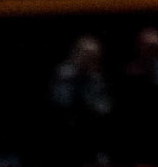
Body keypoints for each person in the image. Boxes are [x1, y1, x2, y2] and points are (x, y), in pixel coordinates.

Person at [114, 25, 158, 166]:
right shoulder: (129, 71)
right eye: (147, 47)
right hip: (135, 126)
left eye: (155, 47)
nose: (151, 52)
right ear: (139, 47)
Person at [48, 33, 113, 167]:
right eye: (86, 54)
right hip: (65, 132)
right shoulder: (63, 74)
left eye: (94, 56)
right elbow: (59, 103)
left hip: (92, 132)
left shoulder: (97, 78)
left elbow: (104, 108)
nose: (89, 59)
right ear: (76, 53)